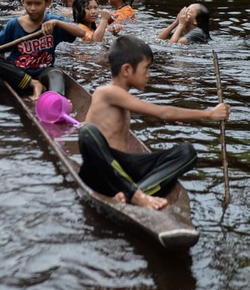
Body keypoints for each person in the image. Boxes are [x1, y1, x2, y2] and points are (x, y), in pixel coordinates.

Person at [77, 35, 230, 209]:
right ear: (126, 70)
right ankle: (137, 196)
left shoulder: (122, 96)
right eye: (146, 68)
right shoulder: (106, 92)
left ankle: (136, 192)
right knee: (87, 133)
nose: (149, 75)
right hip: (102, 171)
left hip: (123, 170)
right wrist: (209, 114)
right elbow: (163, 112)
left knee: (187, 153)